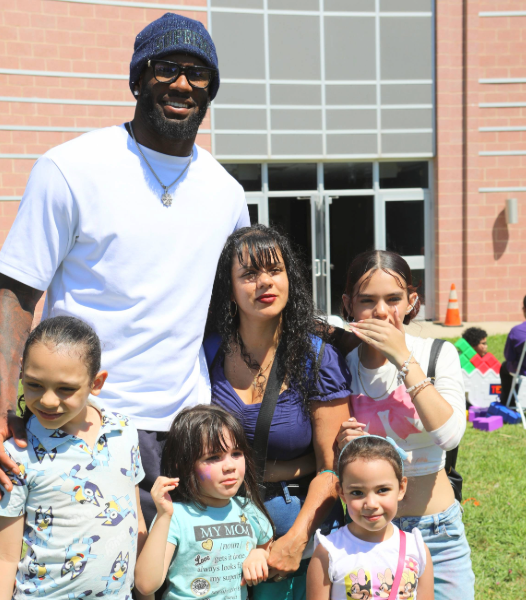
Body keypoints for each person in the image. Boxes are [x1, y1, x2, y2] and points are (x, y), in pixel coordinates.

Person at [0, 12, 249, 528]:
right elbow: (15, 294)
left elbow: (235, 316)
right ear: (136, 78)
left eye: (199, 75)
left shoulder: (227, 193)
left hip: (188, 431)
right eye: (166, 67)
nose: (183, 84)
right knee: (81, 574)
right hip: (82, 422)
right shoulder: (71, 168)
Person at [205, 225, 352, 600]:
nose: (265, 283)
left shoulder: (317, 358)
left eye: (275, 270)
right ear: (230, 287)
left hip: (292, 539)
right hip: (217, 539)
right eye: (249, 274)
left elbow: (332, 468)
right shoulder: (206, 354)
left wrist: (294, 540)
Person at [337, 250, 474, 600]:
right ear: (348, 304)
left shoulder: (436, 354)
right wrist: (343, 444)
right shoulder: (340, 367)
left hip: (437, 534)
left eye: (393, 299)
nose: (382, 311)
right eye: (367, 301)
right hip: (370, 535)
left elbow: (449, 434)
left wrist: (402, 357)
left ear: (412, 302)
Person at [0, 316, 146, 599]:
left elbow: (137, 522)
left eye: (65, 389)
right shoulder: (16, 453)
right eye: (34, 384)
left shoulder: (124, 432)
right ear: (21, 373)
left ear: (96, 383)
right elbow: (3, 557)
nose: (47, 400)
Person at [135, 405, 273, 600]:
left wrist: (259, 555)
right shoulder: (174, 516)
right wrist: (164, 516)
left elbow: (268, 547)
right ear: (183, 464)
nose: (230, 466)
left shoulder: (248, 509)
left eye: (236, 453)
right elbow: (145, 584)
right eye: (214, 457)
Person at [307, 436, 434, 600]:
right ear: (341, 492)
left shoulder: (416, 549)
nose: (371, 504)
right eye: (357, 493)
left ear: (401, 488)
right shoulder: (329, 552)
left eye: (382, 490)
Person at [500, 295, 526, 406]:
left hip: (523, 371)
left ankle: (508, 403)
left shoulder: (517, 331)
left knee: (505, 366)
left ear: (524, 309)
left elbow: (509, 356)